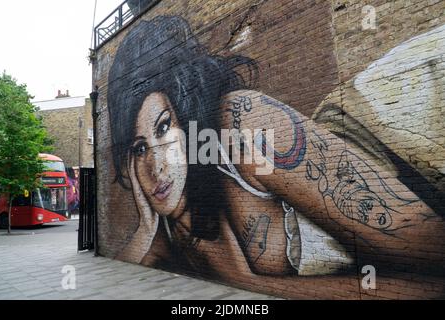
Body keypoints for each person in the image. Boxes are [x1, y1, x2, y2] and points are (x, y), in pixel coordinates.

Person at [107, 16, 445, 282]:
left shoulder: (242, 125)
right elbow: (121, 271)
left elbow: (432, 266)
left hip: (397, 112)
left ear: (187, 111)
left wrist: (248, 282)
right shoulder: (173, 216)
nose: (155, 166)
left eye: (164, 127)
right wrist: (144, 229)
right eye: (138, 149)